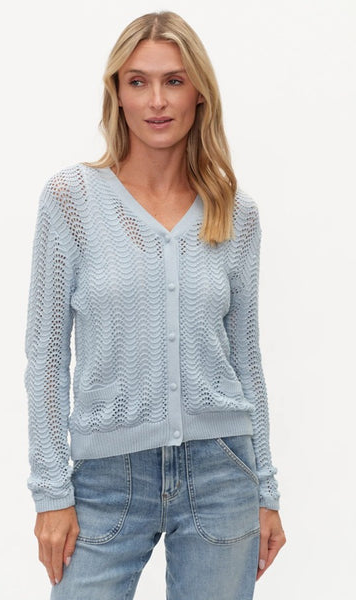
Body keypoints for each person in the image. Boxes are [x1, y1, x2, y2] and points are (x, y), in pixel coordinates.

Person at [24, 10, 286, 600]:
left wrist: (265, 489)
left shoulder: (235, 214)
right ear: (117, 93)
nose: (157, 100)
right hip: (104, 480)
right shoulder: (72, 200)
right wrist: (51, 493)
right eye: (138, 81)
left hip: (223, 473)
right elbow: (45, 357)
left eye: (174, 81)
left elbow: (246, 359)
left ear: (199, 93)